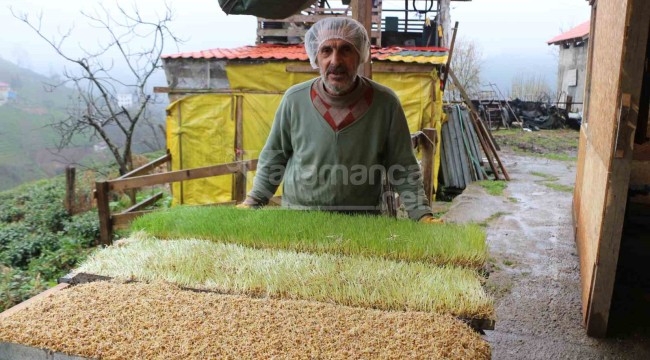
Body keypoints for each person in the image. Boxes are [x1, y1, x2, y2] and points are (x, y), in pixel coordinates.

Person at [238, 17, 440, 223]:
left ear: (359, 55)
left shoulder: (385, 104)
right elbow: (274, 157)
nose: (335, 61)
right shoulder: (294, 100)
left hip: (362, 223)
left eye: (345, 50)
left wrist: (422, 214)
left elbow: (404, 166)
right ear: (316, 57)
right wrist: (254, 201)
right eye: (326, 50)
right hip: (298, 220)